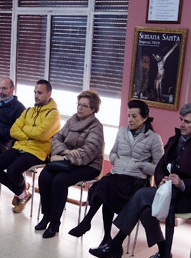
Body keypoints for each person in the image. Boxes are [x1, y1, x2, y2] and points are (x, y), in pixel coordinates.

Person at [89, 103, 191, 258]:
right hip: (167, 191)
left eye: (186, 122)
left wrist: (182, 183)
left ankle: (116, 243)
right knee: (145, 209)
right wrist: (161, 180)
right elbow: (160, 166)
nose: (181, 124)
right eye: (181, 119)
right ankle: (164, 251)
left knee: (142, 195)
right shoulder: (175, 140)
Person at [69, 100, 163, 243]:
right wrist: (116, 160)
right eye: (128, 116)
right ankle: (105, 235)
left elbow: (159, 168)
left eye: (134, 116)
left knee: (105, 186)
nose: (130, 120)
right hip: (117, 175)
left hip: (136, 181)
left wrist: (141, 164)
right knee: (106, 186)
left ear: (144, 118)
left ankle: (88, 223)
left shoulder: (154, 138)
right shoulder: (122, 132)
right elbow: (112, 154)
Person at [33, 90, 105, 238]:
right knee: (45, 176)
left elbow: (89, 151)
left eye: (84, 106)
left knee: (59, 181)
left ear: (93, 109)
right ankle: (46, 215)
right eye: (78, 104)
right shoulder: (72, 120)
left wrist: (64, 158)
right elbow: (56, 138)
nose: (80, 108)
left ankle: (54, 222)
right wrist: (65, 153)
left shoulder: (96, 127)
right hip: (68, 160)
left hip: (89, 165)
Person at [0, 79, 61, 214]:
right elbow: (13, 130)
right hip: (20, 147)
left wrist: (25, 130)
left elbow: (42, 135)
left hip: (38, 151)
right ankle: (22, 192)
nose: (36, 95)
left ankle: (21, 191)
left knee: (12, 171)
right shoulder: (28, 111)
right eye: (35, 92)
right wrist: (30, 134)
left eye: (40, 93)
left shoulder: (53, 114)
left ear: (48, 94)